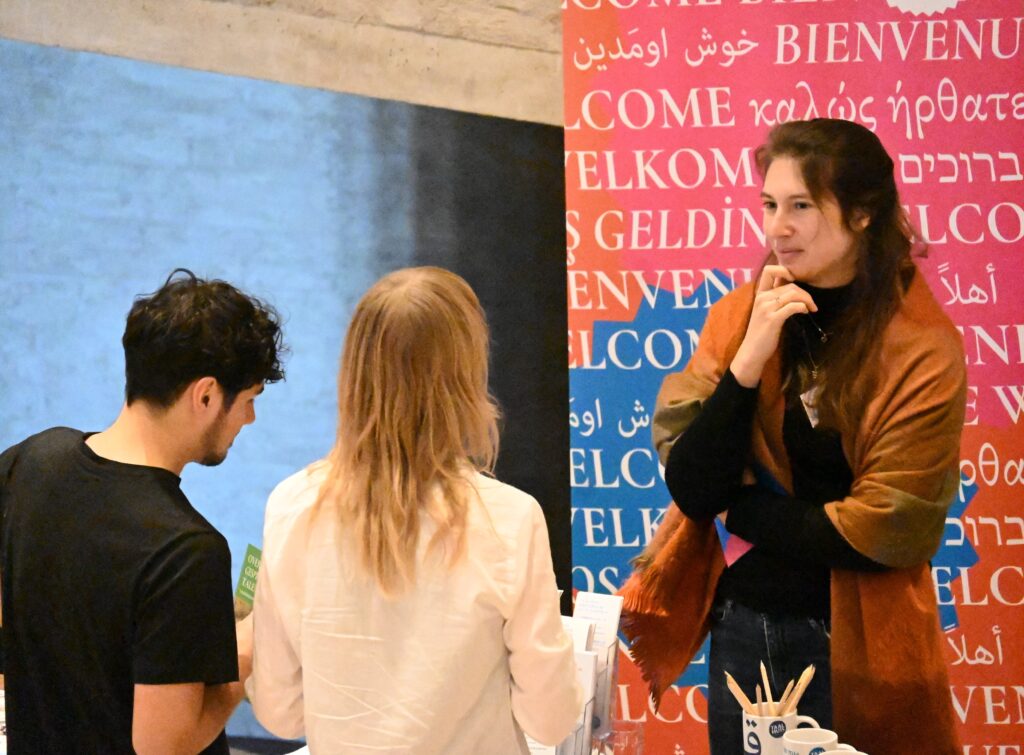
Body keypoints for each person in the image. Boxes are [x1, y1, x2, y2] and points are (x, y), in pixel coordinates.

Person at [619, 119, 966, 755]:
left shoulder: (923, 347)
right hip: (743, 624)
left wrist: (740, 509)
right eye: (769, 204)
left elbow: (888, 530)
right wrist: (748, 361)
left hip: (857, 641)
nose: (777, 228)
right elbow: (693, 485)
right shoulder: (742, 313)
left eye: (801, 206)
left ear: (861, 214)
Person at [248, 266, 582, 754]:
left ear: (353, 371)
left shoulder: (291, 506)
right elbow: (551, 720)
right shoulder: (509, 519)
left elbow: (279, 711)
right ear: (467, 376)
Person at [0, 269, 285, 754]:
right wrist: (251, 646)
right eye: (249, 399)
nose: (250, 418)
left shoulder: (28, 461)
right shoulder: (187, 551)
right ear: (206, 395)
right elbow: (163, 747)